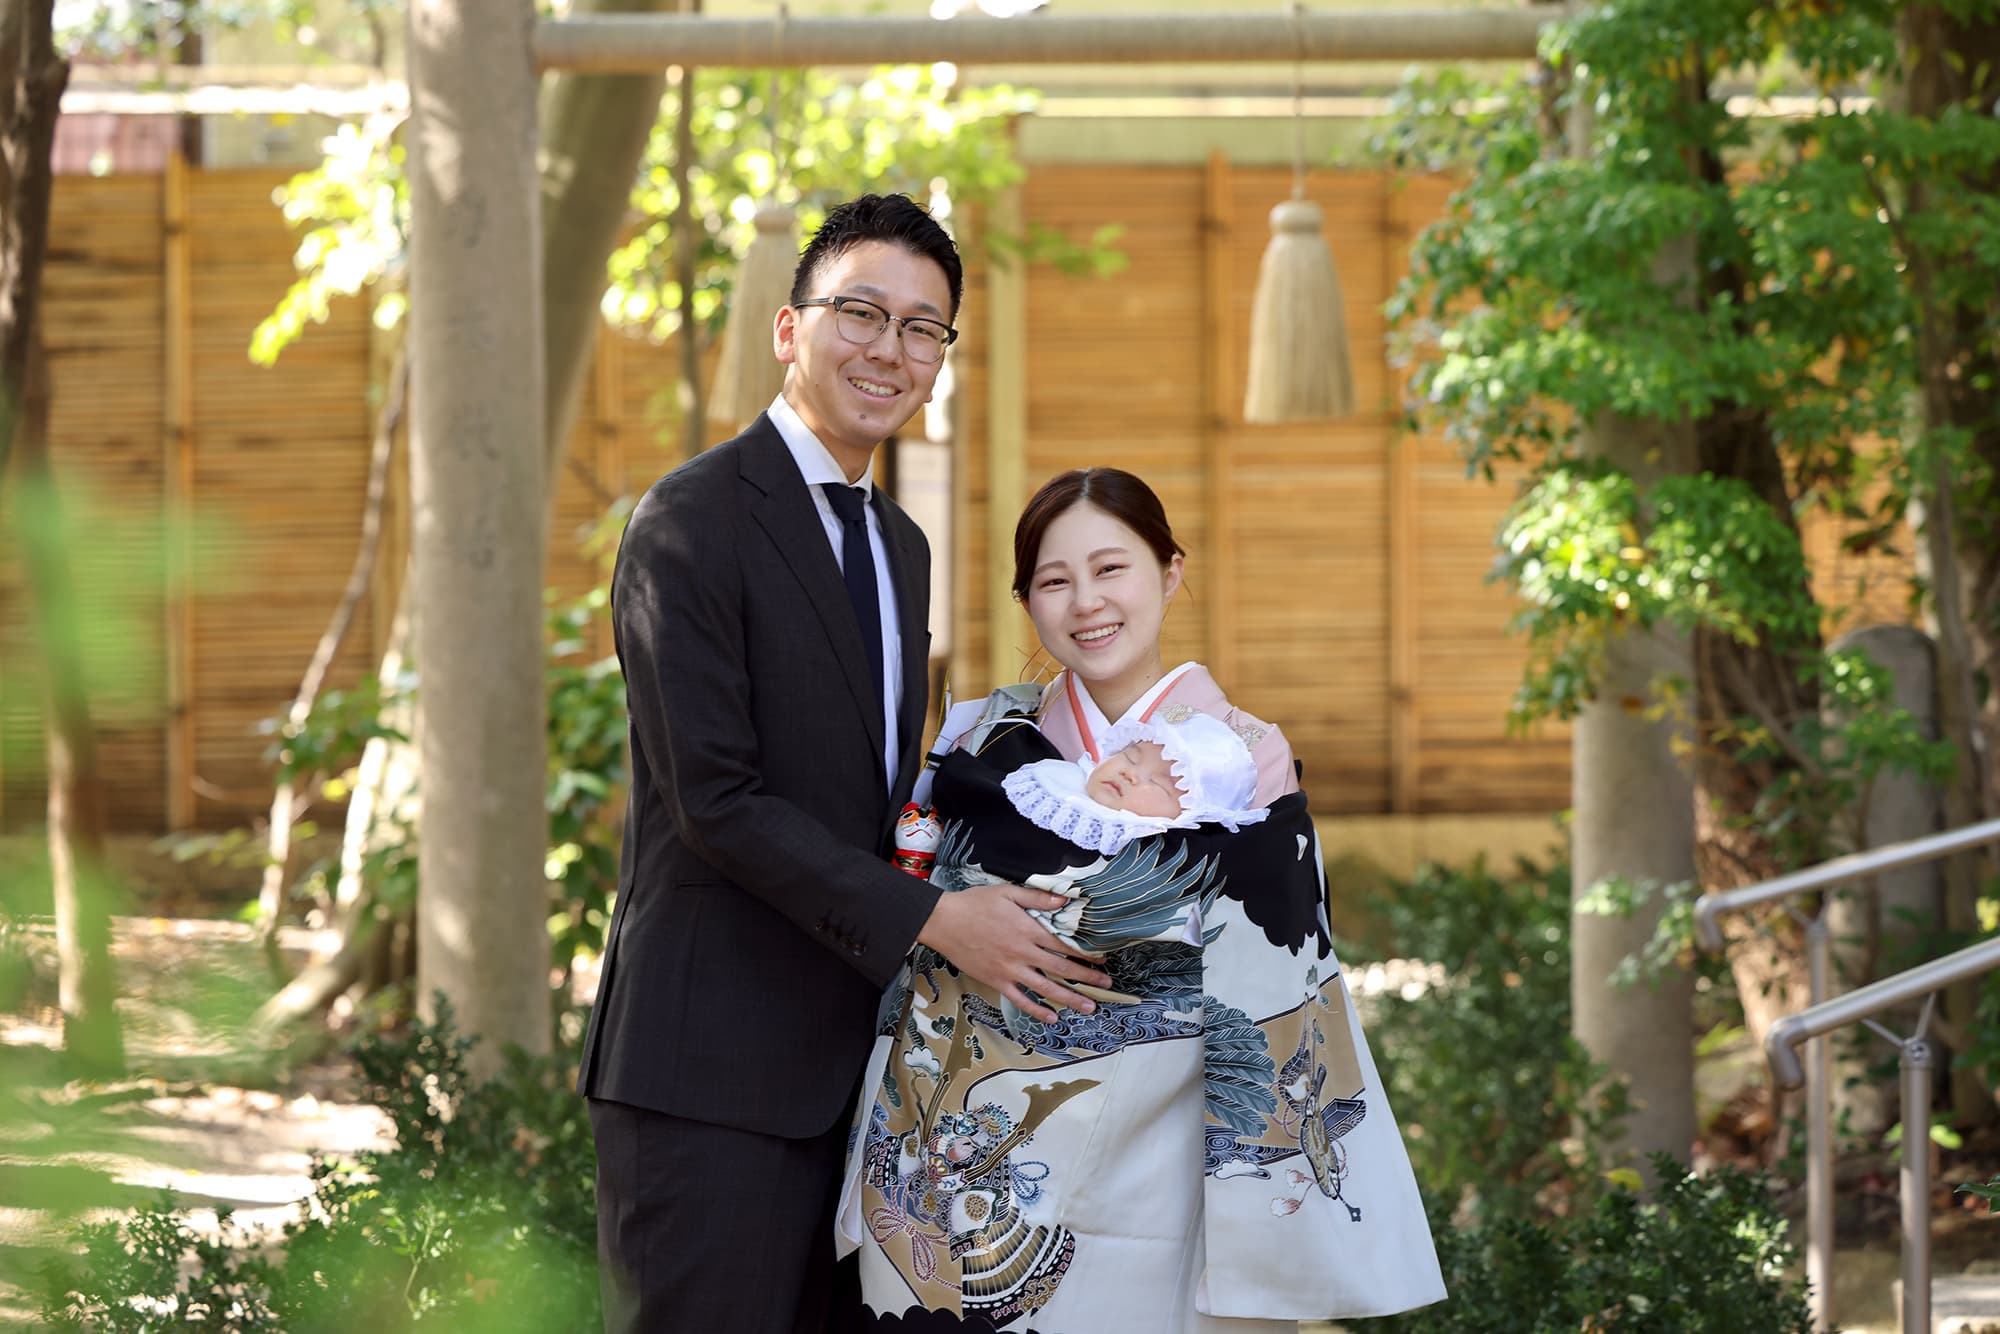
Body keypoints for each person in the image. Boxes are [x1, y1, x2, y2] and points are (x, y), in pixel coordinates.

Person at [577, 195, 1111, 1334]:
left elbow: (875, 792)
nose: (890, 347)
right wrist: (931, 918)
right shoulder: (688, 519)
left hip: (861, 1072)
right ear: (788, 327)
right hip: (707, 1069)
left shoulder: (897, 543)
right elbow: (714, 799)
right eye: (861, 312)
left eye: (924, 327)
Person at [838, 466, 1446, 1331]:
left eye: (1111, 568)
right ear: (1028, 603)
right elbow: (921, 919)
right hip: (972, 1155)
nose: (1086, 601)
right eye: (1054, 581)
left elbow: (1285, 968)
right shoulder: (978, 741)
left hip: (1173, 1156)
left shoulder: (1248, 757)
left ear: (1169, 570)